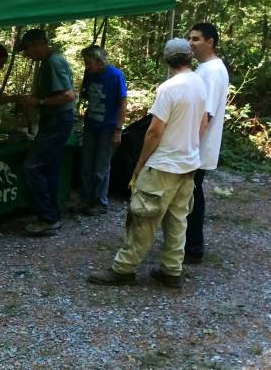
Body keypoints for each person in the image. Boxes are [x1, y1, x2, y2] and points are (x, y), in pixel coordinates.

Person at [88, 38, 207, 288]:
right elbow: (204, 122)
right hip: (188, 164)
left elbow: (154, 131)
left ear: (166, 59)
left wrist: (139, 165)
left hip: (163, 165)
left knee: (143, 218)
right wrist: (193, 149)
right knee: (178, 220)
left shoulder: (169, 88)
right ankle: (171, 270)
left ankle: (123, 269)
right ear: (189, 57)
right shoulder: (199, 83)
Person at [16, 29, 77, 236]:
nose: (27, 54)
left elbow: (68, 95)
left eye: (27, 49)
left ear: (38, 44)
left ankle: (48, 218)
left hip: (58, 120)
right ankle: (51, 214)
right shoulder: (47, 62)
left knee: (32, 166)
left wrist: (39, 102)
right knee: (49, 167)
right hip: (53, 119)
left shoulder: (53, 61)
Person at [185, 22, 229, 264]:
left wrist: (190, 147)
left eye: (196, 39)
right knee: (190, 194)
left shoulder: (213, 71)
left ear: (210, 42)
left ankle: (193, 248)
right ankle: (187, 244)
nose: (190, 43)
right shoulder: (205, 68)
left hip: (197, 147)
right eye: (189, 38)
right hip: (195, 146)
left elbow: (206, 114)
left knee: (191, 196)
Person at [76, 45, 127, 216]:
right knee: (86, 165)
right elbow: (85, 94)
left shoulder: (115, 75)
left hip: (108, 127)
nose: (86, 66)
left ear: (99, 62)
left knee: (101, 167)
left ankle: (100, 202)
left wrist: (118, 130)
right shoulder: (89, 73)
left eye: (89, 63)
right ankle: (85, 200)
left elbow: (123, 103)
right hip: (91, 124)